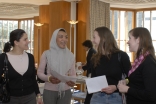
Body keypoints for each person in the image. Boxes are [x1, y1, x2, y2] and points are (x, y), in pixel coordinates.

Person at [0, 29, 43, 104]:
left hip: (30, 98)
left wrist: (38, 95)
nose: (28, 41)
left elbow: (33, 79)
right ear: (16, 42)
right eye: (25, 39)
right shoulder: (3, 58)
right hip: (10, 99)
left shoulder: (30, 57)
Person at [90, 26, 131, 104]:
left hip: (116, 98)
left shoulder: (121, 56)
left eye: (94, 37)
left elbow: (129, 78)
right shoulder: (94, 58)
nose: (92, 40)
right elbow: (93, 80)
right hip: (97, 98)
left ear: (104, 38)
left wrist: (116, 87)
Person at [117, 27, 156, 104]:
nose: (128, 42)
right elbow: (136, 79)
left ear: (138, 40)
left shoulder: (148, 63)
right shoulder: (139, 60)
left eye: (130, 38)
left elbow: (151, 95)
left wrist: (127, 89)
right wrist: (126, 81)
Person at [37, 28, 76, 104]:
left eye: (66, 37)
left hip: (66, 91)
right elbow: (39, 72)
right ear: (55, 38)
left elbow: (73, 74)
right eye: (61, 37)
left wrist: (73, 81)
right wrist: (49, 78)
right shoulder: (47, 54)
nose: (64, 39)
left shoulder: (70, 55)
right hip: (49, 91)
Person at [78, 40, 96, 104]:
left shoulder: (91, 52)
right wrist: (85, 64)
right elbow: (89, 62)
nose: (83, 48)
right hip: (91, 71)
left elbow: (90, 64)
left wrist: (82, 68)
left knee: (89, 89)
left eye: (84, 47)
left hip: (92, 72)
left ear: (87, 46)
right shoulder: (92, 51)